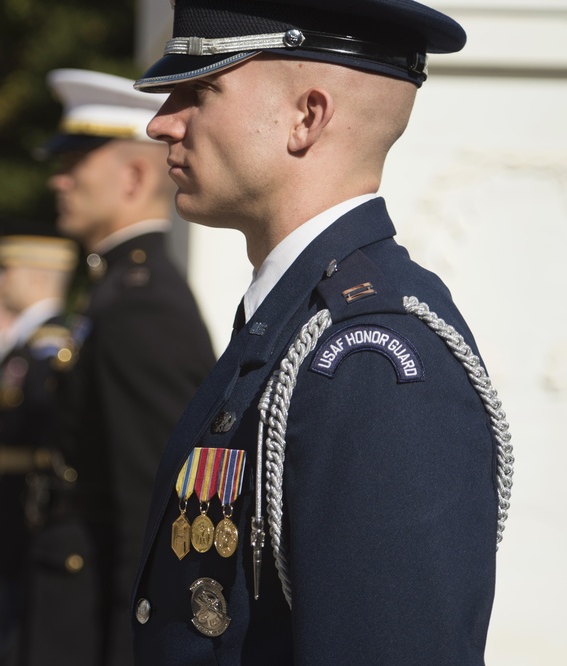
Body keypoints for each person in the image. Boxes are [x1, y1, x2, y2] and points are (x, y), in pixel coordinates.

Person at [128, 1, 515, 664]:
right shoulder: (293, 321)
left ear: (306, 117)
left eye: (200, 91)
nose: (161, 122)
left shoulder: (371, 359)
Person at [19, 69, 216, 666]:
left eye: (75, 165)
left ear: (134, 175)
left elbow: (151, 509)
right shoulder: (114, 293)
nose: (58, 180)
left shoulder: (140, 304)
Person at [0, 234, 79, 666]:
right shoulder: (21, 348)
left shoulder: (52, 343)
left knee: (17, 633)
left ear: (36, 278)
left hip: (30, 506)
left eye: (7, 271)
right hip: (8, 506)